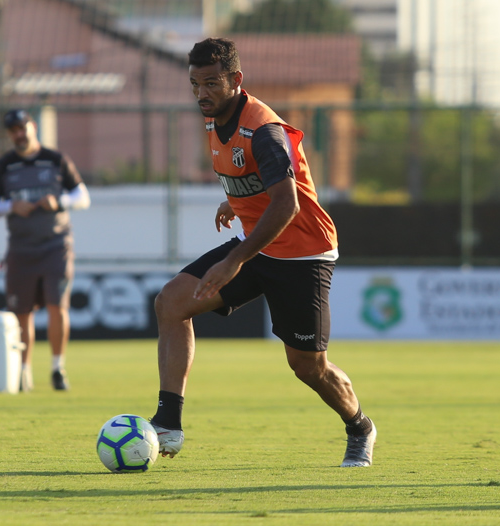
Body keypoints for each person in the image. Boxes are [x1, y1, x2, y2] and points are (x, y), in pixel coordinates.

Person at [149, 38, 376, 467]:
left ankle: (360, 426)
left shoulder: (265, 131)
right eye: (195, 84)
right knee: (171, 303)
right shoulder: (215, 118)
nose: (202, 93)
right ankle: (169, 423)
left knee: (308, 368)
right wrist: (234, 203)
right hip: (261, 245)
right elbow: (253, 180)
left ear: (236, 80)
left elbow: (287, 203)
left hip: (304, 254)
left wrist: (233, 259)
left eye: (212, 83)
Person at [0, 109, 90, 392]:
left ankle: (57, 368)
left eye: (23, 127)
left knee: (58, 305)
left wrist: (59, 201)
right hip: (21, 247)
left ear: (33, 126)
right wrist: (10, 206)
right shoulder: (4, 165)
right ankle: (23, 371)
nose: (19, 134)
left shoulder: (55, 159)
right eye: (13, 130)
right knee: (21, 311)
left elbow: (83, 196)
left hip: (56, 244)